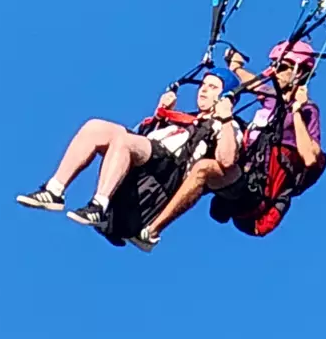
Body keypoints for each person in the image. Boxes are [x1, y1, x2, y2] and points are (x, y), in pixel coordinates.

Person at [16, 67, 242, 247]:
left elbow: (227, 160)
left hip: (169, 172)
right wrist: (160, 115)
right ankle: (54, 190)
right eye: (203, 85)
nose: (202, 90)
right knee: (95, 127)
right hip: (151, 157)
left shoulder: (228, 126)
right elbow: (148, 136)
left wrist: (225, 118)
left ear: (225, 96)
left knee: (124, 141)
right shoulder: (186, 119)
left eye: (212, 87)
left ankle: (99, 206)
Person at [134, 37, 326, 249]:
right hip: (242, 172)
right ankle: (134, 209)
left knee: (203, 169)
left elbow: (310, 157)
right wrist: (235, 65)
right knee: (190, 151)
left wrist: (298, 110)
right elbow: (251, 81)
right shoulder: (272, 99)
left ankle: (152, 232)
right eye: (274, 65)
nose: (275, 71)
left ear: (299, 72)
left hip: (256, 193)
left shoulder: (308, 110)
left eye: (282, 67)